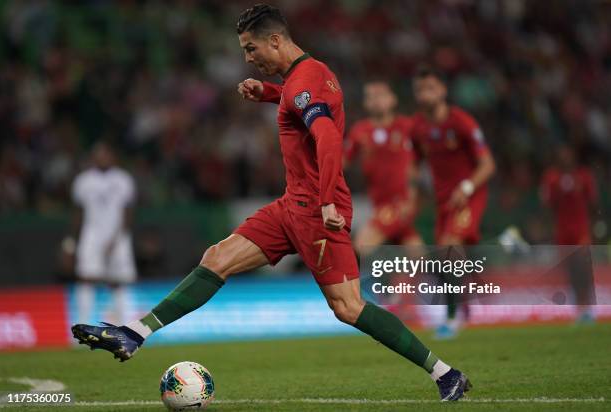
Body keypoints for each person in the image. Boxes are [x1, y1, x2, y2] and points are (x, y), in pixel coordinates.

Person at [72, 5, 471, 401]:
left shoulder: (304, 83)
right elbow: (303, 104)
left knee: (348, 307)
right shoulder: (310, 76)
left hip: (315, 209)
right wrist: (269, 94)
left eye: (251, 48)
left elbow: (328, 137)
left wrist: (328, 200)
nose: (248, 58)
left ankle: (445, 373)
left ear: (276, 40)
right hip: (291, 205)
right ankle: (133, 334)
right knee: (217, 258)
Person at [410, 66, 496, 339]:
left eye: (431, 88)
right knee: (450, 256)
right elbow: (415, 161)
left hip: (469, 196)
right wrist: (412, 186)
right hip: (444, 203)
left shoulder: (461, 122)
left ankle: (451, 316)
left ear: (443, 91)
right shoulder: (419, 127)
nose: (426, 94)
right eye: (421, 90)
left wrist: (467, 186)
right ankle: (467, 304)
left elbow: (488, 164)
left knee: (449, 249)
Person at [345, 80, 422, 255]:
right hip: (379, 203)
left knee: (361, 246)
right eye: (370, 96)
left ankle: (345, 283)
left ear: (392, 99)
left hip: (401, 203)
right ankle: (443, 279)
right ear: (365, 103)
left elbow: (419, 161)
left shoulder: (407, 127)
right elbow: (342, 162)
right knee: (416, 254)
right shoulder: (359, 131)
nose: (375, 100)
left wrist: (412, 197)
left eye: (380, 95)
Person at [68, 141, 137, 326]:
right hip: (91, 235)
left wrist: (118, 238)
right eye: (99, 154)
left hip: (118, 236)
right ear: (93, 157)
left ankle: (126, 329)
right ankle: (81, 328)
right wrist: (71, 242)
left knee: (118, 281)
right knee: (86, 278)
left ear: (113, 156)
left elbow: (128, 212)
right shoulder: (83, 181)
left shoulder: (123, 179)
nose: (102, 157)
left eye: (106, 154)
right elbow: (77, 213)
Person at [540, 145, 598, 323]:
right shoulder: (551, 178)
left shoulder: (584, 176)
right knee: (571, 269)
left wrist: (593, 228)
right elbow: (547, 206)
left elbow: (593, 204)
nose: (565, 158)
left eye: (568, 154)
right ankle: (579, 307)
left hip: (581, 229)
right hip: (562, 231)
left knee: (583, 266)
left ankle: (588, 305)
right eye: (562, 154)